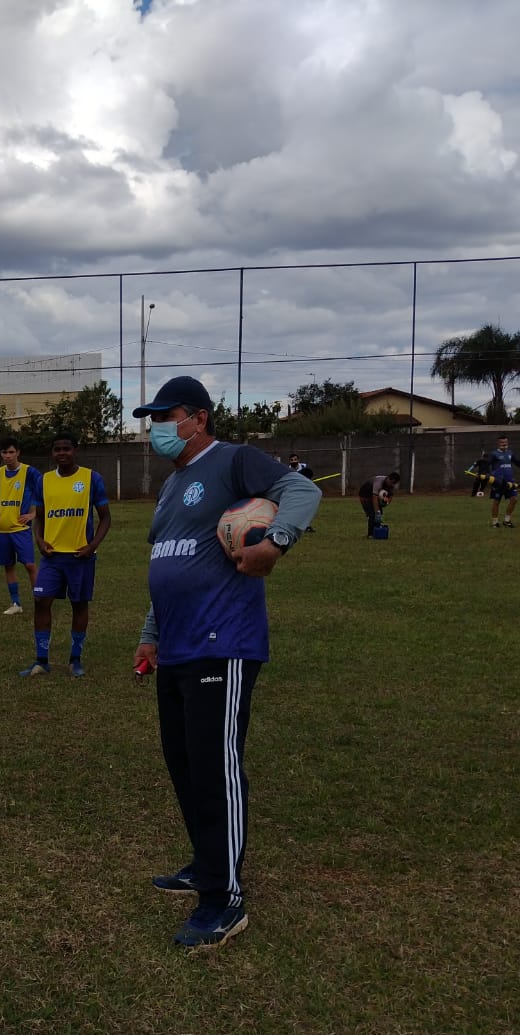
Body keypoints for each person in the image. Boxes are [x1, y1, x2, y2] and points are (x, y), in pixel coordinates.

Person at [134, 377, 320, 949]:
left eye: (168, 415)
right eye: (154, 417)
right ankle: (206, 861)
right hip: (178, 645)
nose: (158, 426)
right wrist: (149, 634)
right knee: (183, 761)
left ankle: (225, 901)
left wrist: (276, 542)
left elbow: (303, 491)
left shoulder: (233, 460)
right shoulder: (172, 486)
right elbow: (168, 560)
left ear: (199, 418)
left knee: (215, 768)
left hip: (223, 641)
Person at [20, 433, 111, 677]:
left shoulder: (92, 478)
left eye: (66, 449)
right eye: (57, 449)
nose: (62, 453)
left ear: (75, 450)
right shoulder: (45, 481)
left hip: (80, 557)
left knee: (79, 604)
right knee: (41, 601)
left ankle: (75, 659)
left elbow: (105, 518)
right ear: (52, 453)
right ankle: (41, 660)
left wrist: (92, 546)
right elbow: (38, 516)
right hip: (51, 557)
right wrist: (39, 540)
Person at [0, 436, 39, 615]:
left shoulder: (29, 472)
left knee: (30, 565)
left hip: (21, 529)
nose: (7, 456)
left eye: (11, 452)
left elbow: (45, 491)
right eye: (4, 452)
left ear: (18, 453)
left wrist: (33, 513)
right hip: (3, 530)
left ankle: (40, 601)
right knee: (8, 566)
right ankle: (16, 603)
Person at [473, 435, 520, 528]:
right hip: (498, 482)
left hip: (510, 481)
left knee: (514, 499)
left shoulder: (510, 453)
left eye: (505, 442)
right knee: (497, 501)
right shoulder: (493, 454)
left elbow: (518, 463)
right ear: (498, 443)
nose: (504, 444)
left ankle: (507, 520)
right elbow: (486, 464)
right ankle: (495, 522)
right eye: (502, 442)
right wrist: (481, 473)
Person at [357, 471, 399, 537]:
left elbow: (390, 497)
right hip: (365, 495)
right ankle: (370, 534)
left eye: (394, 483)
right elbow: (374, 498)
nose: (392, 485)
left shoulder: (391, 485)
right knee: (372, 514)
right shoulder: (378, 482)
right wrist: (377, 512)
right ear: (388, 478)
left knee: (379, 514)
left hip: (374, 496)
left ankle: (377, 532)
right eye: (392, 482)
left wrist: (386, 503)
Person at [287, 453, 317, 532]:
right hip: (294, 492)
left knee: (306, 508)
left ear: (298, 460)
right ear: (289, 461)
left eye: (295, 459)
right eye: (292, 460)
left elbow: (309, 476)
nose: (294, 461)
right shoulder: (288, 470)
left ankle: (307, 526)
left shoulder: (304, 467)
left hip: (305, 490)